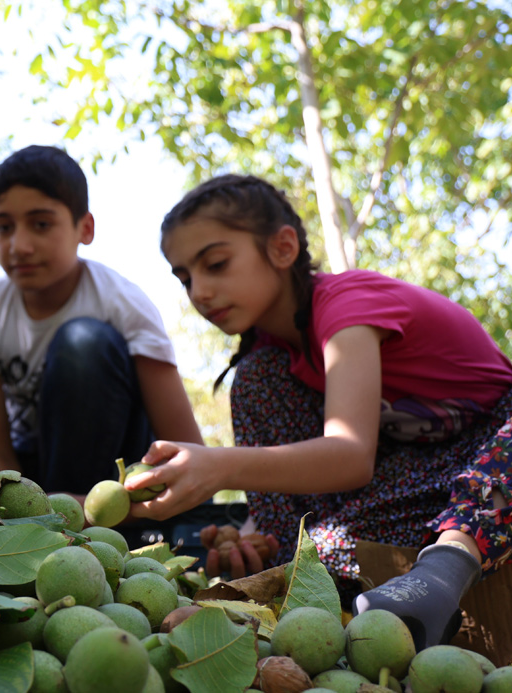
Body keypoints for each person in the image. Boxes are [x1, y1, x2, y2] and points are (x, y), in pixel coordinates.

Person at [128, 174, 512, 647]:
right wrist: (251, 538)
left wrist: (220, 467)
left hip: (495, 444)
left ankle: (446, 566)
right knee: (256, 379)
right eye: (185, 278)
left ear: (283, 248)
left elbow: (350, 455)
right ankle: (290, 566)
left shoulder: (346, 307)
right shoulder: (274, 357)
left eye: (216, 264)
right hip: (423, 475)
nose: (199, 291)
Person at [0, 145, 202, 494]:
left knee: (84, 341)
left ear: (85, 228)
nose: (19, 246)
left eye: (40, 224)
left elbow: (185, 450)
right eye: (4, 227)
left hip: (115, 480)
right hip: (30, 477)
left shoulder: (121, 302)